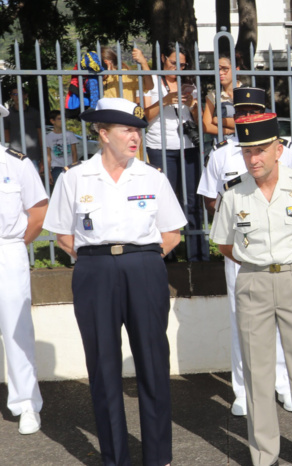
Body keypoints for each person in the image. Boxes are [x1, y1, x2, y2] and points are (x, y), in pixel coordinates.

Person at [43, 98, 187, 465]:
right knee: (103, 367)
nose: (135, 136)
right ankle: (115, 458)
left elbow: (172, 232)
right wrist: (99, 260)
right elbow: (62, 234)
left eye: (138, 129)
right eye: (127, 129)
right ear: (103, 133)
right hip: (95, 271)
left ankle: (158, 457)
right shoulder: (75, 178)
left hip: (144, 268)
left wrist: (143, 260)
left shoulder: (152, 177)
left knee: (153, 363)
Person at [210, 113, 292, 466]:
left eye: (262, 150)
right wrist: (259, 262)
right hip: (252, 281)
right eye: (248, 151)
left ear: (279, 149)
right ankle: (265, 455)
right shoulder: (234, 194)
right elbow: (223, 243)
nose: (254, 158)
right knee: (257, 372)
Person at [196, 87, 292, 417]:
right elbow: (210, 199)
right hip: (239, 250)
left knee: (284, 317)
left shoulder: (285, 150)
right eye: (241, 112)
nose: (246, 118)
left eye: (253, 111)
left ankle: (283, 383)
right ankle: (243, 388)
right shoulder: (222, 154)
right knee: (242, 319)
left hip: (280, 247)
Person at [0, 102, 47, 436]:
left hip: (7, 249)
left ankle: (26, 404)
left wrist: (18, 246)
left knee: (16, 329)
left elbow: (39, 211)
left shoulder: (16, 163)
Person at [143, 42, 208, 262]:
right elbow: (144, 116)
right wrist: (165, 100)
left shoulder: (190, 84)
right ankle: (167, 253)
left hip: (187, 148)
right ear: (163, 58)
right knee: (164, 200)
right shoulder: (151, 82)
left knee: (191, 199)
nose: (177, 68)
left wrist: (192, 105)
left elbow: (199, 121)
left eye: (182, 64)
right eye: (173, 63)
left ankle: (197, 252)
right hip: (160, 147)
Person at [101, 46, 153, 161]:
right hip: (108, 130)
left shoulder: (125, 75)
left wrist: (143, 62)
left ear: (107, 63)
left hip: (128, 128)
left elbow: (149, 86)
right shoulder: (96, 80)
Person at [202, 55, 241, 138]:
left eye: (225, 69)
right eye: (218, 69)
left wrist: (220, 120)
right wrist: (230, 131)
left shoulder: (247, 92)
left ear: (236, 70)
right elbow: (206, 126)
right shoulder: (213, 95)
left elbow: (250, 122)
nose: (220, 72)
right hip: (223, 144)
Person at [4, 88, 43, 172]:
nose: (17, 96)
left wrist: (43, 157)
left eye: (20, 94)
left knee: (32, 183)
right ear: (11, 96)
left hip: (33, 155)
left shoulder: (34, 113)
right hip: (14, 155)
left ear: (25, 95)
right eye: (15, 94)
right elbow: (6, 136)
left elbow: (40, 133)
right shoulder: (7, 114)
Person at [45, 110, 79, 189]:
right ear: (52, 121)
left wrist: (74, 167)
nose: (63, 121)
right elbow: (48, 155)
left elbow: (74, 152)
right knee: (59, 189)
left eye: (64, 119)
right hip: (57, 167)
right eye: (59, 119)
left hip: (69, 166)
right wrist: (48, 172)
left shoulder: (70, 135)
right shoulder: (48, 137)